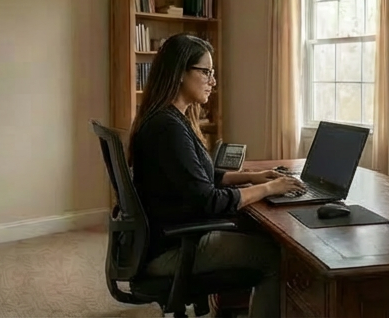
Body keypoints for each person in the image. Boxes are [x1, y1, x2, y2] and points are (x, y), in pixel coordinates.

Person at [128, 34, 302, 318]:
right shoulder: (168, 128)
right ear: (180, 73)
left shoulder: (169, 118)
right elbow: (208, 201)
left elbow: (199, 177)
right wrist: (270, 188)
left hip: (163, 239)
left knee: (256, 231)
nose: (213, 81)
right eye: (206, 72)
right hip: (173, 249)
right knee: (276, 256)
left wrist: (252, 177)